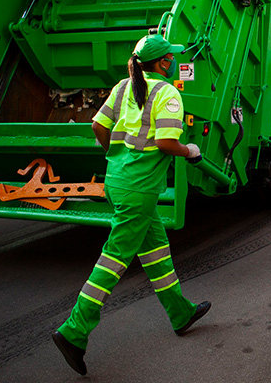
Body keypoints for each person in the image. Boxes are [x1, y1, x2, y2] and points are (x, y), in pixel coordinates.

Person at [52, 34, 211, 376]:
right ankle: (74, 330)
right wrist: (190, 151)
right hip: (140, 189)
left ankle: (179, 312)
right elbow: (167, 141)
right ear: (165, 63)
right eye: (171, 57)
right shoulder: (168, 93)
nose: (173, 61)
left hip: (119, 180)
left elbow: (98, 125)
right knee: (114, 259)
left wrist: (116, 155)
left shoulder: (123, 86)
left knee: (156, 251)